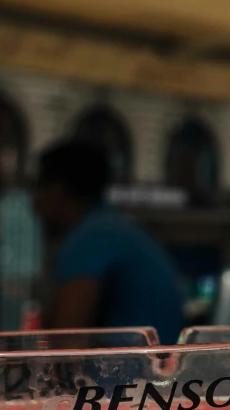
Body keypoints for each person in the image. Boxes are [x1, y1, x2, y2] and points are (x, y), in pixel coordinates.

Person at [31, 138, 187, 340]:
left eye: (37, 190)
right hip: (161, 364)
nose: (34, 205)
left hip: (139, 369)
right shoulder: (114, 228)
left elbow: (66, 343)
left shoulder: (91, 238)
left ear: (56, 191)